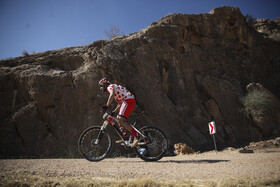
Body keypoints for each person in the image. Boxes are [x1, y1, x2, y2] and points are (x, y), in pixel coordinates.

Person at [98, 78, 141, 147]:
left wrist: (106, 106)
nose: (100, 88)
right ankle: (125, 137)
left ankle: (136, 135)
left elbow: (111, 95)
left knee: (120, 120)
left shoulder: (110, 87)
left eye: (101, 86)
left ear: (105, 84)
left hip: (128, 101)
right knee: (118, 119)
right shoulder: (116, 89)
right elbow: (120, 104)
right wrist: (113, 112)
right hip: (129, 101)